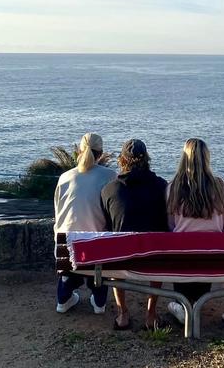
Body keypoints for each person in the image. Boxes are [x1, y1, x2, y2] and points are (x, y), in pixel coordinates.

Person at [101, 139, 168, 331]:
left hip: (121, 259)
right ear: (147, 159)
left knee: (115, 246)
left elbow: (108, 224)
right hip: (154, 259)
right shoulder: (162, 186)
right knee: (158, 246)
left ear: (122, 160)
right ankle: (151, 313)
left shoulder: (109, 190)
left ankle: (123, 314)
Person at [166, 138, 224, 324]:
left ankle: (182, 305)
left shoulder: (173, 187)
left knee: (181, 251)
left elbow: (171, 224)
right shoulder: (219, 185)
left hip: (181, 258)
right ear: (207, 158)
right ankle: (193, 304)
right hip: (211, 258)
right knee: (203, 260)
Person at [53, 132, 117, 314]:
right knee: (100, 239)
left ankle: (63, 298)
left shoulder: (64, 177)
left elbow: (58, 215)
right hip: (95, 248)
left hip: (66, 247)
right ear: (101, 153)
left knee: (68, 241)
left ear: (79, 152)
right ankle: (98, 301)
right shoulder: (110, 175)